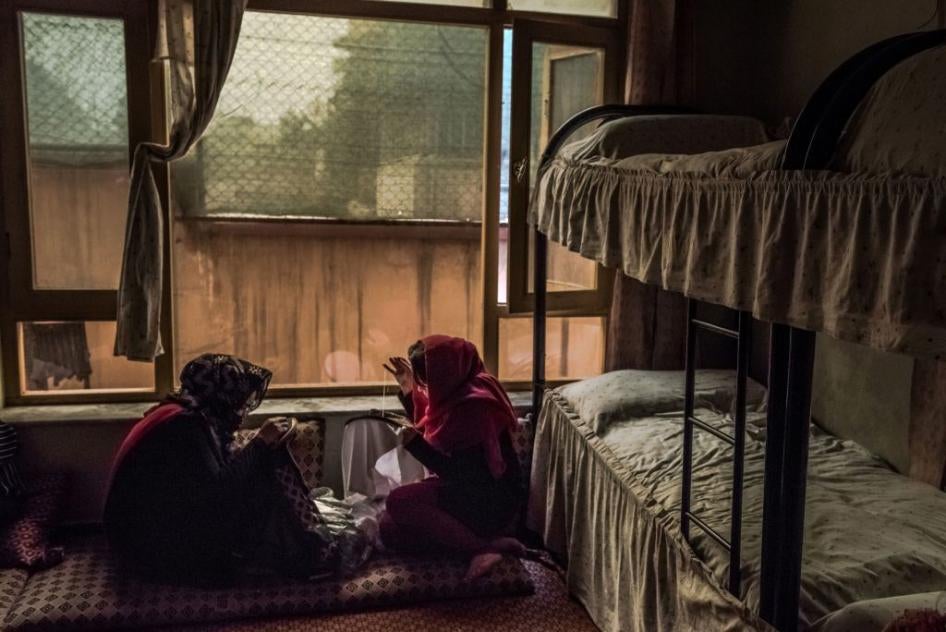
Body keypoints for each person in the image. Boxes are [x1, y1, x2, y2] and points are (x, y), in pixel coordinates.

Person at [104, 354, 300, 583]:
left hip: (139, 538)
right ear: (221, 398)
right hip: (147, 552)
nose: (242, 412)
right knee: (258, 476)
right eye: (238, 402)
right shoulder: (186, 426)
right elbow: (218, 493)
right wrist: (259, 443)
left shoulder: (178, 412)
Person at [380, 335, 525, 580]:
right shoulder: (461, 391)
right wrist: (408, 387)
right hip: (468, 491)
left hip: (488, 500)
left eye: (428, 380)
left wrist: (416, 445)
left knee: (398, 502)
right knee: (389, 530)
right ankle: (488, 542)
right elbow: (433, 414)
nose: (426, 387)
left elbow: (463, 474)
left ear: (445, 374)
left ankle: (483, 548)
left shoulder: (474, 407)